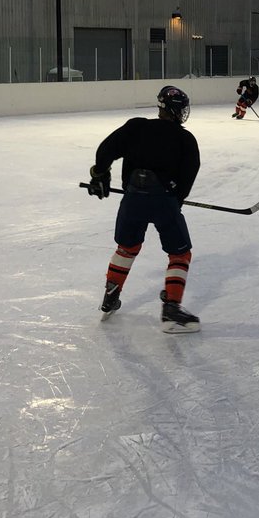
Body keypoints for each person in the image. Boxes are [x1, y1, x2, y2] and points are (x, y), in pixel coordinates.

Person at [87, 85, 202, 333]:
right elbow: (188, 176)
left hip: (132, 200)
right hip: (164, 201)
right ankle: (171, 309)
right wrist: (175, 202)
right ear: (178, 110)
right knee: (180, 254)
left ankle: (110, 296)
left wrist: (99, 175)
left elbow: (105, 149)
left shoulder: (136, 127)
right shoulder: (185, 139)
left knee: (126, 248)